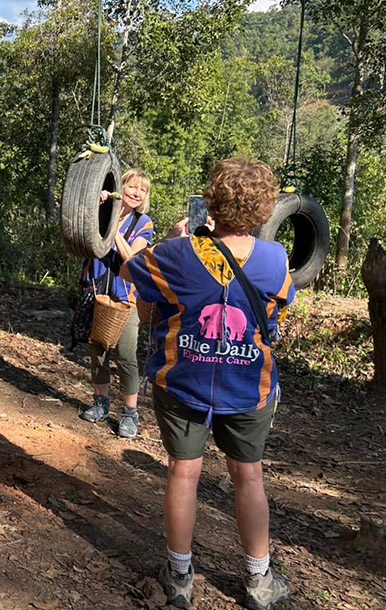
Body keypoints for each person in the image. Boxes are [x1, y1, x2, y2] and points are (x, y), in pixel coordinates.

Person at [122, 157, 294, 610]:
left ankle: (180, 577)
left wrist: (178, 241)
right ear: (265, 211)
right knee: (249, 476)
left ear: (211, 203)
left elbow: (129, 275)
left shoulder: (175, 253)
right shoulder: (276, 260)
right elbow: (279, 305)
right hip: (247, 387)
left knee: (184, 472)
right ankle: (259, 581)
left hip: (183, 382)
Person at [79, 169, 154, 438]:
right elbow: (80, 231)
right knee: (98, 352)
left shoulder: (143, 223)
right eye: (132, 187)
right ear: (120, 188)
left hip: (126, 299)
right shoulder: (103, 211)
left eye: (142, 190)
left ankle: (130, 414)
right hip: (96, 291)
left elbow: (132, 258)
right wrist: (96, 205)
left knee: (126, 356)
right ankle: (100, 403)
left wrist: (112, 228)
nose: (136, 193)